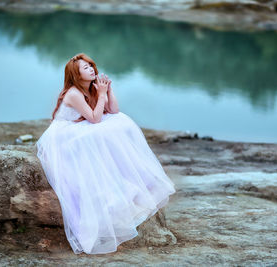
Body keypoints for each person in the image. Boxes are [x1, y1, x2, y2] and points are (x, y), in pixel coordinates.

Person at [35, 53, 176, 254]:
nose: (91, 69)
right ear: (76, 74)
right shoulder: (73, 93)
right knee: (102, 131)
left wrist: (107, 90)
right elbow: (94, 119)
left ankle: (132, 174)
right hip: (64, 137)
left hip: (81, 126)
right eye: (85, 68)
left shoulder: (93, 87)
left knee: (121, 122)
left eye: (91, 65)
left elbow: (114, 110)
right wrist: (100, 94)